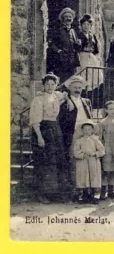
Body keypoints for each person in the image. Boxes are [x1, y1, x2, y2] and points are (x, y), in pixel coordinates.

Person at [29, 73, 71, 203]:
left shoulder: (56, 95)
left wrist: (68, 100)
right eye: (47, 84)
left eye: (53, 84)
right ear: (43, 85)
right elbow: (35, 119)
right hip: (43, 129)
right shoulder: (38, 99)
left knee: (57, 161)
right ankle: (42, 194)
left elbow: (65, 95)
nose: (50, 86)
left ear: (56, 85)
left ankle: (55, 193)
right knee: (45, 162)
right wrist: (40, 137)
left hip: (55, 129)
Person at [58, 75, 92, 201]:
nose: (77, 89)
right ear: (70, 88)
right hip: (73, 134)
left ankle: (87, 190)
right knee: (74, 162)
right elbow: (62, 122)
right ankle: (75, 191)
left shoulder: (86, 102)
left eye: (80, 87)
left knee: (87, 161)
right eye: (75, 87)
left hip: (86, 134)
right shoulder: (65, 102)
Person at [47, 7, 81, 84]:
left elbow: (76, 47)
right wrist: (58, 51)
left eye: (70, 17)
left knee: (71, 80)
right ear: (62, 19)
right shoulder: (58, 30)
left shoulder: (73, 31)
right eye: (66, 17)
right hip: (62, 59)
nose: (68, 18)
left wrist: (78, 44)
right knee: (62, 80)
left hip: (72, 60)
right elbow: (51, 43)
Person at [74, 120, 105, 205]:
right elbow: (76, 152)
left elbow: (102, 151)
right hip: (83, 162)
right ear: (82, 130)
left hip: (93, 161)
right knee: (83, 177)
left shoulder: (95, 140)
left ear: (92, 130)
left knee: (94, 177)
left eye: (89, 129)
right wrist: (83, 155)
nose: (87, 131)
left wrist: (95, 154)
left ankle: (95, 195)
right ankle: (84, 195)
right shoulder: (79, 141)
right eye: (85, 129)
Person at [76, 14, 103, 87]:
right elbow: (76, 48)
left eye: (88, 24)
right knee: (83, 74)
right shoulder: (78, 35)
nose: (86, 26)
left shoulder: (92, 36)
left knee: (93, 76)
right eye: (84, 24)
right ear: (81, 26)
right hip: (82, 56)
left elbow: (96, 49)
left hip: (91, 57)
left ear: (90, 26)